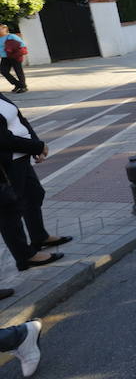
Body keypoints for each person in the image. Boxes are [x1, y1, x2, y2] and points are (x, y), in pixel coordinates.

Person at [0, 93, 70, 273]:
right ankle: (25, 257)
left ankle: (39, 236)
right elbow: (3, 139)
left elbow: (19, 119)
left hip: (21, 156)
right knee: (10, 212)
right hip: (7, 163)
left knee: (34, 194)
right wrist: (36, 146)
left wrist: (36, 142)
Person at [0, 26, 27, 94]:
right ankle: (17, 84)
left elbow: (22, 44)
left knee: (18, 71)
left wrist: (13, 50)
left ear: (5, 30)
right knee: (3, 71)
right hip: (5, 57)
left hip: (14, 56)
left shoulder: (11, 36)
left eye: (0, 29)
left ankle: (23, 87)